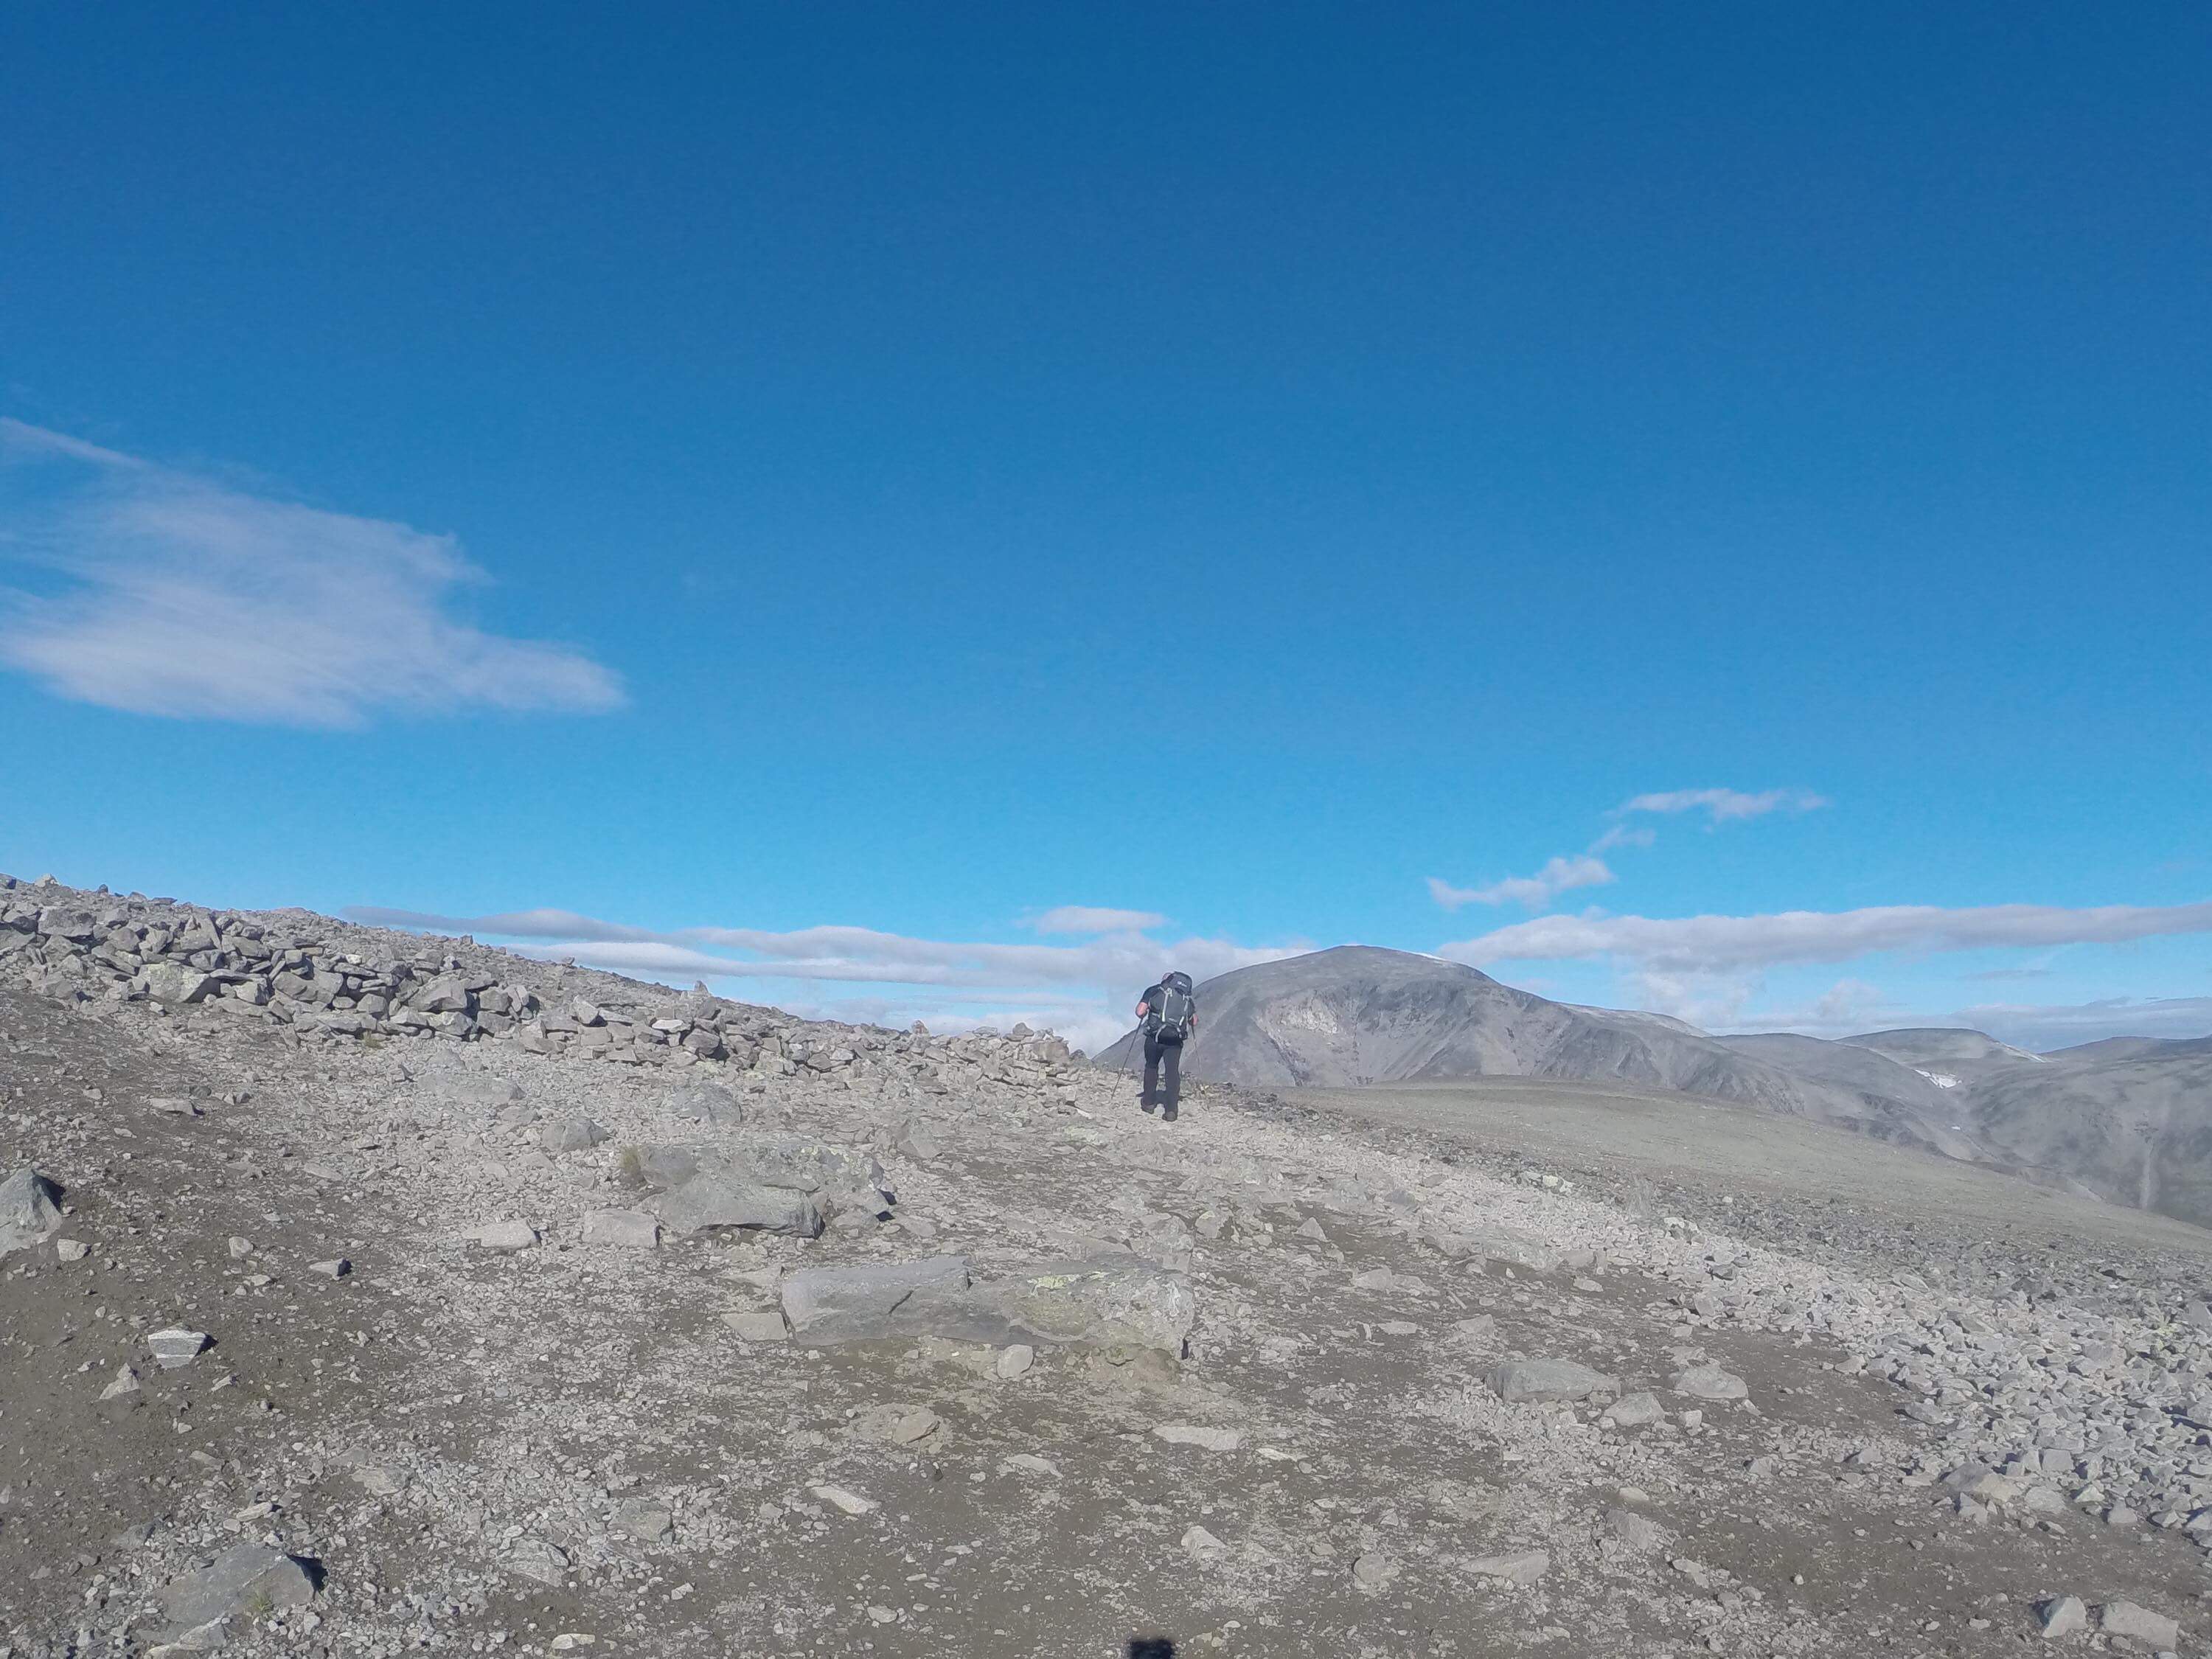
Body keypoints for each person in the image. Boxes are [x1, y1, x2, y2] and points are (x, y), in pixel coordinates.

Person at [1134, 969, 1197, 1121]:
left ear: (1165, 981)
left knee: (1151, 1066)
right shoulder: (1185, 997)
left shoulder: (1154, 990)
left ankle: (1148, 1102)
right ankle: (1171, 1110)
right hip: (1175, 1041)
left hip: (1154, 1038)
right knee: (1172, 1072)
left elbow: (1140, 1012)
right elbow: (1194, 1021)